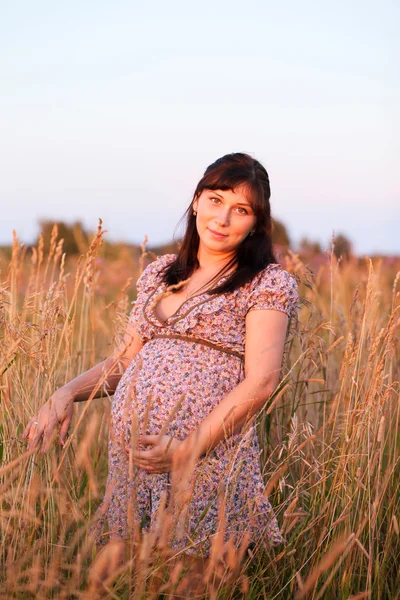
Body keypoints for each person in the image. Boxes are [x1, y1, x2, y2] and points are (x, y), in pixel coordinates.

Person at [22, 152, 298, 576]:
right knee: (123, 580)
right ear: (195, 201)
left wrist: (188, 451)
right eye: (215, 200)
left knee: (188, 580)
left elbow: (262, 381)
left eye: (240, 210)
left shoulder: (266, 281)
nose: (222, 218)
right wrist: (66, 393)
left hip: (205, 457)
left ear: (256, 223)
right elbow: (126, 360)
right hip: (135, 460)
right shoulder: (160, 274)